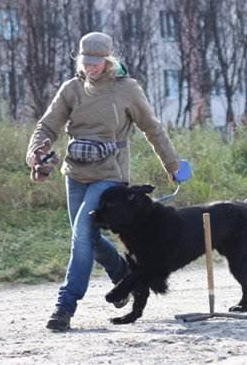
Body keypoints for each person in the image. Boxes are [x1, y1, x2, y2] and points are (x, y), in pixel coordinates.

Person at [26, 32, 191, 332]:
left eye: (96, 63)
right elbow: (48, 125)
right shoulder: (71, 89)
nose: (90, 68)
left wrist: (172, 164)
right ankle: (122, 273)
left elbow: (152, 129)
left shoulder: (126, 90)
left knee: (80, 237)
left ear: (108, 60)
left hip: (110, 178)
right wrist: (36, 153)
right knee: (89, 238)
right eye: (85, 62)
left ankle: (65, 306)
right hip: (75, 174)